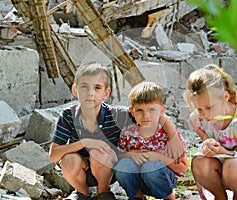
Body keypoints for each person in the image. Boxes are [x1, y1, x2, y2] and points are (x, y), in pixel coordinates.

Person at [49, 62, 184, 200]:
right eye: (84, 87)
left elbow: (153, 112)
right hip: (82, 168)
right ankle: (81, 192)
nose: (90, 93)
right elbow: (54, 155)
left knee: (98, 152)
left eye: (97, 88)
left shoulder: (118, 115)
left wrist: (173, 137)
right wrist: (85, 142)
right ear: (75, 90)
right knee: (68, 159)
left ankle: (104, 192)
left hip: (111, 168)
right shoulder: (68, 116)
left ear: (106, 93)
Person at [183, 64, 237, 200]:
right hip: (220, 162)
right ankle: (219, 197)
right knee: (199, 162)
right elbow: (208, 145)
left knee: (232, 167)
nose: (204, 114)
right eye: (199, 109)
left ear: (225, 97)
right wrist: (208, 146)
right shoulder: (197, 119)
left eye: (209, 107)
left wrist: (221, 151)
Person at [114, 81, 188, 200]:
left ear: (162, 110)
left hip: (162, 179)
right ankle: (137, 197)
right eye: (139, 110)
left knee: (151, 167)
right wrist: (130, 154)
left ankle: (169, 197)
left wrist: (158, 157)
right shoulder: (127, 133)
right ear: (132, 111)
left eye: (152, 110)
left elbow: (183, 167)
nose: (146, 116)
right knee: (123, 165)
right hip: (138, 180)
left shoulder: (167, 135)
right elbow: (118, 156)